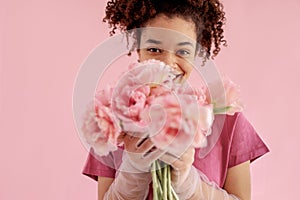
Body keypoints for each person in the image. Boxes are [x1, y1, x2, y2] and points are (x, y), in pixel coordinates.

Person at [82, 0, 270, 199]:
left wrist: (188, 184)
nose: (168, 63)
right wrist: (134, 171)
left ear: (197, 53)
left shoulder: (229, 124)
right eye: (154, 49)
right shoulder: (111, 121)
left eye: (183, 52)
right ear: (138, 50)